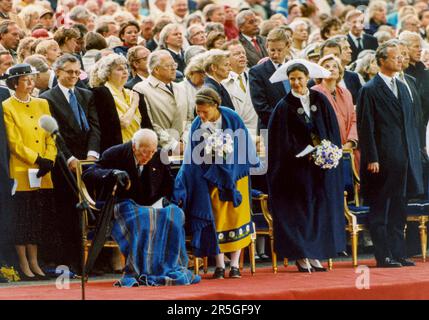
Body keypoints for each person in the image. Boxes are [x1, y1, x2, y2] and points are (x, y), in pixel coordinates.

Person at [172, 87, 259, 279]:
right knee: (217, 220)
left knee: (237, 218)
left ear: (216, 106)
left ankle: (235, 265)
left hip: (236, 176)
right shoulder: (197, 124)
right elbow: (193, 156)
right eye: (198, 111)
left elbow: (243, 147)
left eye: (205, 111)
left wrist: (228, 168)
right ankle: (219, 265)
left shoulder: (232, 117)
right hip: (211, 179)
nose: (201, 115)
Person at [267, 62, 346, 272]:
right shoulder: (283, 106)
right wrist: (305, 152)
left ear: (307, 77)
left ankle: (315, 254)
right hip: (296, 170)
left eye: (299, 78)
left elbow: (331, 130)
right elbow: (280, 140)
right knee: (300, 212)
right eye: (292, 79)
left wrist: (328, 151)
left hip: (319, 169)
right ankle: (301, 255)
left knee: (318, 210)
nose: (296, 82)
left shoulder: (320, 99)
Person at [357, 40, 423, 268]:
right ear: (382, 60)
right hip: (383, 160)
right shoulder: (369, 89)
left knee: (399, 209)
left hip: (405, 159)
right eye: (395, 57)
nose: (400, 60)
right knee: (381, 210)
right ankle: (383, 255)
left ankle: (399, 253)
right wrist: (372, 157)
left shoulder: (405, 86)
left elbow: (413, 122)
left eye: (401, 57)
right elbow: (366, 127)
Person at [2, 63, 57, 280]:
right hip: (22, 170)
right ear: (15, 83)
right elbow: (13, 142)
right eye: (26, 79)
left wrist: (49, 159)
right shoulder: (7, 106)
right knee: (22, 218)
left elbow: (51, 134)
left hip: (42, 171)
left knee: (37, 218)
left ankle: (35, 262)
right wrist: (36, 159)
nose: (31, 83)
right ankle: (24, 263)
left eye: (32, 78)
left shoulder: (42, 103)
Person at [82, 128, 173, 206]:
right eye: (145, 152)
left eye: (153, 152)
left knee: (176, 213)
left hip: (151, 208)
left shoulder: (161, 155)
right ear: (134, 147)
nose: (149, 157)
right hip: (122, 207)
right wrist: (112, 173)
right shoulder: (115, 153)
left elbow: (168, 184)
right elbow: (88, 173)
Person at [90, 53, 153, 153]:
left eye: (125, 68)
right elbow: (123, 123)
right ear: (107, 74)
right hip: (117, 151)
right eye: (119, 69)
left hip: (140, 150)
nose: (125, 71)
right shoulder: (100, 93)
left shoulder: (135, 94)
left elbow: (147, 127)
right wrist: (133, 106)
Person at [133, 50, 190, 154]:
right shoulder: (141, 88)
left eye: (174, 64)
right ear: (156, 69)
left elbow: (189, 118)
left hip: (184, 148)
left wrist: (185, 141)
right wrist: (173, 144)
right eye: (168, 66)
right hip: (158, 149)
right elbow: (149, 123)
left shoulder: (181, 88)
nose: (174, 68)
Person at [249, 27, 291, 131]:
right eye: (272, 50)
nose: (275, 54)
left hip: (295, 129)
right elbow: (261, 106)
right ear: (266, 47)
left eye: (280, 50)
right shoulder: (257, 72)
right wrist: (286, 121)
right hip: (270, 127)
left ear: (288, 46)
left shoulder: (294, 67)